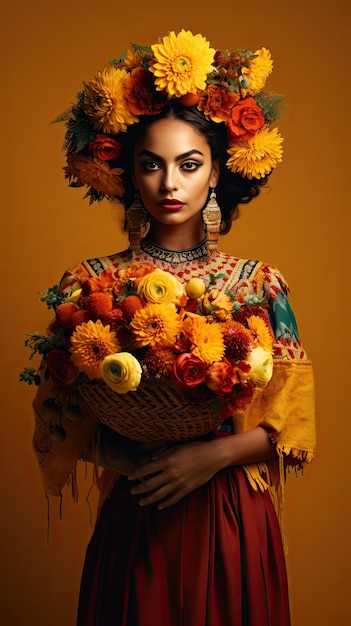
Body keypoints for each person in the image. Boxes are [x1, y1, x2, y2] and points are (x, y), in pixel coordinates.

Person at [25, 30, 316, 626]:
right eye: (150, 165)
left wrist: (208, 458)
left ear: (216, 173)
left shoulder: (259, 282)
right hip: (140, 505)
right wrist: (130, 461)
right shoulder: (90, 284)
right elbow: (61, 422)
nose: (169, 183)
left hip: (230, 511)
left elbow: (291, 429)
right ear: (130, 174)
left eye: (189, 164)